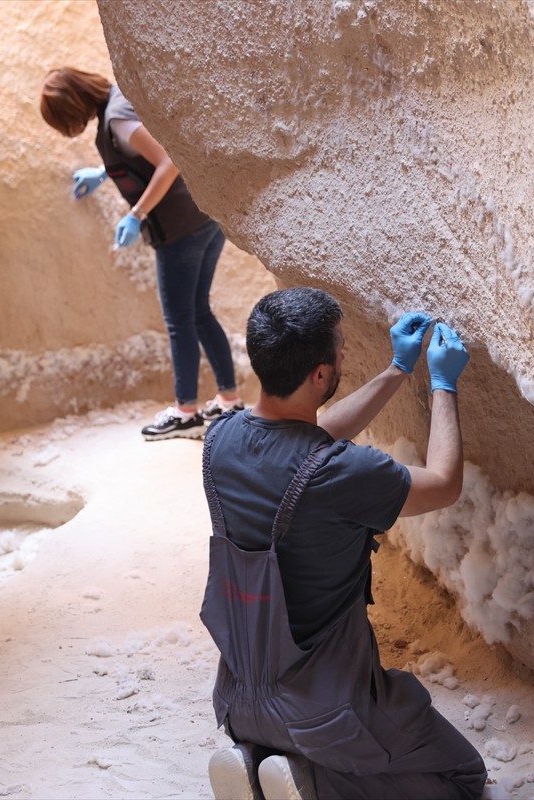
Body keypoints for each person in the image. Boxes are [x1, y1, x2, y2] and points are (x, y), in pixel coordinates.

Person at [199, 287, 487, 800]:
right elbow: (444, 482)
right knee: (461, 776)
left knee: (305, 739)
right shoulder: (344, 474)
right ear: (320, 376)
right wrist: (444, 385)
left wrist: (398, 369)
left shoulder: (220, 442)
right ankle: (313, 782)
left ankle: (255, 764)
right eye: (340, 348)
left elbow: (308, 435)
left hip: (239, 703)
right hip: (325, 711)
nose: (345, 353)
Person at [39, 67, 243, 441]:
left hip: (180, 230)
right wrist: (105, 172)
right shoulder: (120, 98)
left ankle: (186, 413)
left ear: (74, 105)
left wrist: (136, 215)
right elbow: (143, 152)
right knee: (199, 313)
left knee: (180, 320)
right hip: (205, 219)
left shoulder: (116, 117)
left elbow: (168, 162)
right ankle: (229, 401)